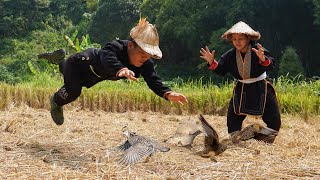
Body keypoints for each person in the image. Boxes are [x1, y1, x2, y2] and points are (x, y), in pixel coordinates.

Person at [38, 18, 188, 126]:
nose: (145, 59)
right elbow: (107, 58)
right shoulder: (115, 46)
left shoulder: (144, 63)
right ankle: (56, 101)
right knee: (73, 90)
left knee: (71, 77)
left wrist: (167, 93)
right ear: (130, 46)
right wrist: (121, 69)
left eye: (148, 56)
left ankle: (59, 59)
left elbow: (153, 79)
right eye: (142, 54)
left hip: (93, 77)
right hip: (82, 62)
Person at [199, 21, 281, 143]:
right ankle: (236, 138)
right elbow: (221, 70)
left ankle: (266, 137)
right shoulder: (230, 55)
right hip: (242, 88)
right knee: (233, 115)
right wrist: (211, 62)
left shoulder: (258, 50)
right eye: (234, 39)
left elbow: (271, 64)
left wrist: (263, 59)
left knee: (273, 116)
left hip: (261, 86)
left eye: (241, 39)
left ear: (248, 38)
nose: (237, 42)